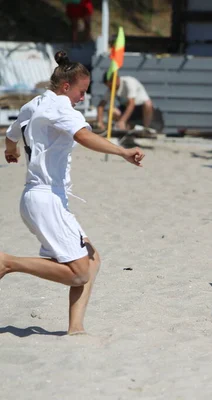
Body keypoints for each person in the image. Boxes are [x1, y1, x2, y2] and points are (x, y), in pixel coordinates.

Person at [1, 51, 145, 335]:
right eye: (81, 91)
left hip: (37, 198)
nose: (83, 97)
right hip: (46, 199)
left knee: (92, 260)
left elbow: (11, 133)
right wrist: (123, 151)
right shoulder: (61, 107)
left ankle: (76, 328)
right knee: (79, 272)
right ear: (66, 86)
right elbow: (83, 136)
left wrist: (11, 150)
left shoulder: (33, 104)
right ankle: (8, 262)